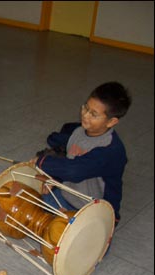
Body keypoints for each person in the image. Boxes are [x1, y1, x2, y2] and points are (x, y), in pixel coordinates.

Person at [33, 81, 131, 226]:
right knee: (31, 200)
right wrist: (54, 179)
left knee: (74, 245)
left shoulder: (110, 150)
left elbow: (74, 170)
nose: (85, 115)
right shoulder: (78, 131)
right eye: (85, 107)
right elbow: (68, 159)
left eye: (94, 114)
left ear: (111, 122)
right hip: (66, 196)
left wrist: (42, 161)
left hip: (93, 211)